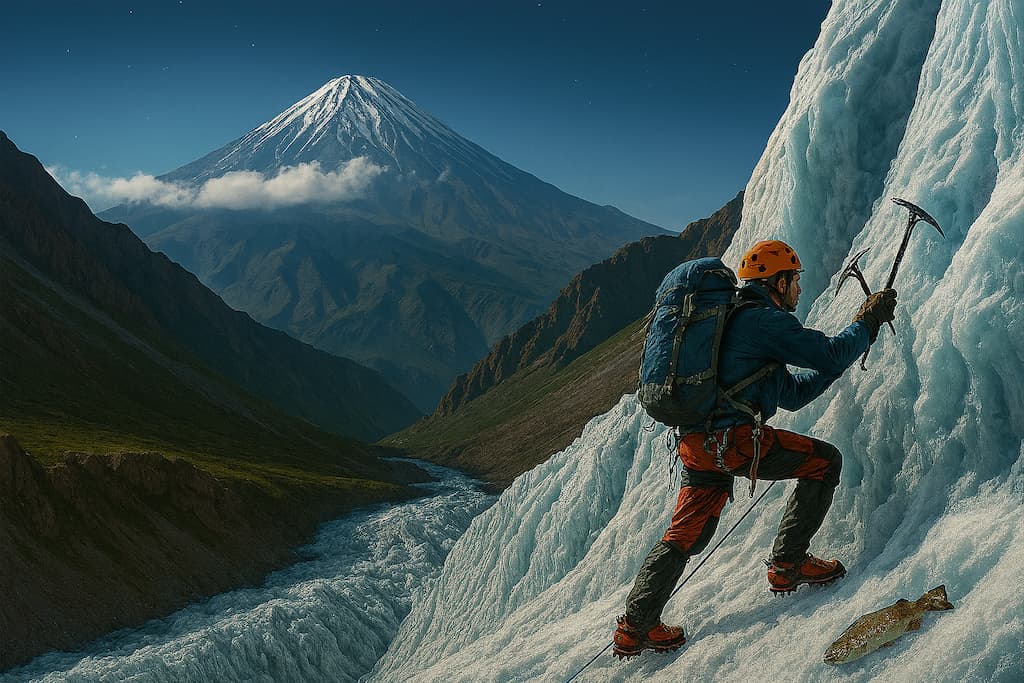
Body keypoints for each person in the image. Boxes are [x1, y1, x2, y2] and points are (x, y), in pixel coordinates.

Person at [612, 239, 897, 659]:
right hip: (736, 443)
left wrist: (834, 369)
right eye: (795, 279)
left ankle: (634, 627)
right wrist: (867, 323)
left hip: (696, 444)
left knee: (685, 533)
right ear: (777, 281)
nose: (799, 288)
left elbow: (794, 393)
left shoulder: (733, 321)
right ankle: (788, 565)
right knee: (824, 462)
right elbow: (830, 353)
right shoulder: (764, 322)